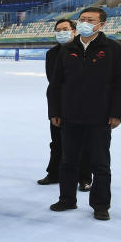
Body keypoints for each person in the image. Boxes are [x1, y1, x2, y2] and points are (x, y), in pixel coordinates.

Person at [47, 7, 121, 221]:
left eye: (90, 20)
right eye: (82, 19)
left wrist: (117, 113)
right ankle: (67, 199)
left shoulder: (114, 49)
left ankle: (100, 204)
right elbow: (56, 84)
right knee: (68, 161)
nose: (85, 22)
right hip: (69, 116)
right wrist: (55, 111)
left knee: (100, 164)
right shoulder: (67, 50)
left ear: (101, 24)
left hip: (100, 117)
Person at [39, 19, 92, 190]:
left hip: (82, 106)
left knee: (82, 143)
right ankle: (54, 173)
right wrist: (55, 109)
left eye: (65, 29)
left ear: (74, 31)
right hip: (59, 105)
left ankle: (84, 178)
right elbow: (53, 82)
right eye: (58, 29)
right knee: (56, 142)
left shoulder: (84, 50)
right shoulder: (52, 54)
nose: (61, 32)